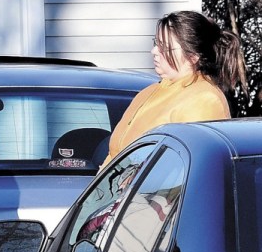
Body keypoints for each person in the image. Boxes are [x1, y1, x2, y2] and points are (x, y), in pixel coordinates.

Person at [101, 10, 245, 166]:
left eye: (165, 47)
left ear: (193, 56)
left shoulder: (204, 100)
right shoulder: (147, 93)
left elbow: (188, 169)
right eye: (156, 43)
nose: (154, 51)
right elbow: (116, 155)